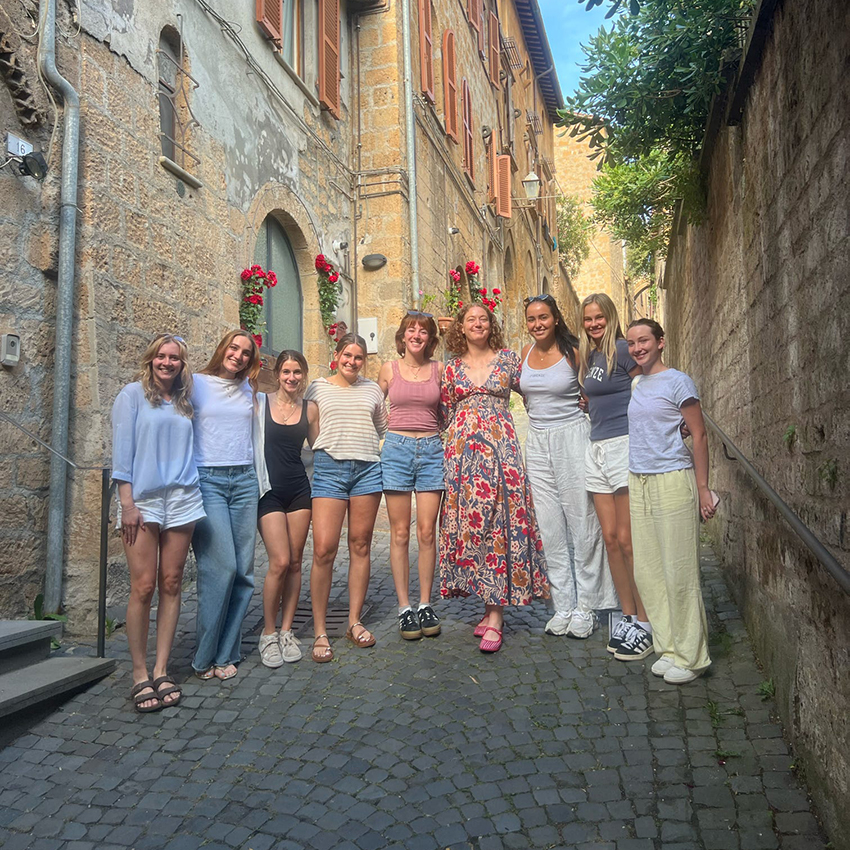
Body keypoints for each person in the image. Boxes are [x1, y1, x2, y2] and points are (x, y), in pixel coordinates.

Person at [440, 303, 548, 653]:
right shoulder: (451, 367)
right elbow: (443, 411)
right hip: (463, 460)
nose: (477, 324)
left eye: (483, 319)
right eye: (470, 319)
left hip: (501, 455)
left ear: (491, 325)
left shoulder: (509, 361)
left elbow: (536, 390)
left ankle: (496, 615)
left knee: (501, 525)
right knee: (473, 527)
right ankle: (487, 608)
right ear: (461, 327)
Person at [112, 333, 205, 712]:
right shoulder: (131, 396)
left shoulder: (185, 402)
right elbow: (121, 453)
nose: (168, 363)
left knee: (171, 581)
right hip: (144, 501)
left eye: (175, 358)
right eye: (162, 357)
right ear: (151, 359)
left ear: (183, 365)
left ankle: (162, 668)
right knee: (143, 586)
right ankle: (139, 673)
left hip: (183, 498)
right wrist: (127, 503)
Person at [626, 318, 717, 685]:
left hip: (673, 481)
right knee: (648, 571)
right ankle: (668, 647)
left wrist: (704, 488)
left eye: (644, 340)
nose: (637, 348)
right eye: (632, 343)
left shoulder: (679, 381)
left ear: (661, 342)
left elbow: (698, 435)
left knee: (679, 571)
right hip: (639, 479)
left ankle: (692, 656)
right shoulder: (637, 382)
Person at [520, 294, 616, 640]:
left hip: (573, 437)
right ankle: (563, 605)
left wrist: (589, 404)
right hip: (538, 442)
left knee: (582, 523)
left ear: (556, 319)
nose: (538, 324)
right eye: (531, 319)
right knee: (549, 526)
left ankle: (587, 607)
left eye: (543, 317)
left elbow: (594, 387)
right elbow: (526, 393)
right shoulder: (525, 355)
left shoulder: (574, 351)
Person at [305, 333, 388, 662]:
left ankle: (354, 621)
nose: (352, 362)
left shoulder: (372, 390)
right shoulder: (317, 387)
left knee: (360, 544)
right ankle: (321, 630)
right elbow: (311, 427)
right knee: (324, 548)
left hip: (367, 470)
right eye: (347, 355)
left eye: (359, 357)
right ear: (336, 355)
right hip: (329, 469)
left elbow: (381, 427)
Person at [578, 293, 652, 660]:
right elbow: (597, 394)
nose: (593, 324)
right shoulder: (589, 356)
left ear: (610, 318)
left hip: (623, 445)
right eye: (588, 319)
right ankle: (627, 615)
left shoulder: (623, 350)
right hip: (596, 448)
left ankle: (646, 620)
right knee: (609, 538)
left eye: (599, 318)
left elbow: (646, 387)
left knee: (627, 539)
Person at [191, 330, 262, 681]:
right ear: (222, 349)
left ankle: (226, 652)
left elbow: (255, 437)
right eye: (234, 348)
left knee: (244, 572)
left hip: (245, 480)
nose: (238, 355)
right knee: (220, 567)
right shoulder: (195, 383)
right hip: (209, 480)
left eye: (246, 352)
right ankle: (204, 656)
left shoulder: (250, 390)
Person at [377, 312, 445, 641]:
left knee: (427, 532)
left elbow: (448, 411)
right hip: (396, 450)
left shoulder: (439, 370)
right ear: (403, 336)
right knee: (400, 532)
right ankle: (405, 607)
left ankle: (426, 603)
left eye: (423, 331)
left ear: (430, 338)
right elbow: (373, 407)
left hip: (432, 450)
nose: (416, 335)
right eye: (410, 329)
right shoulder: (388, 369)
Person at [254, 350, 319, 667]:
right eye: (286, 372)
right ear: (277, 374)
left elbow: (320, 451)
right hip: (267, 492)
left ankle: (286, 631)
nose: (291, 378)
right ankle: (267, 634)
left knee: (294, 563)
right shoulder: (259, 403)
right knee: (278, 561)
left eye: (297, 373)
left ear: (303, 375)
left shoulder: (310, 410)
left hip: (298, 492)